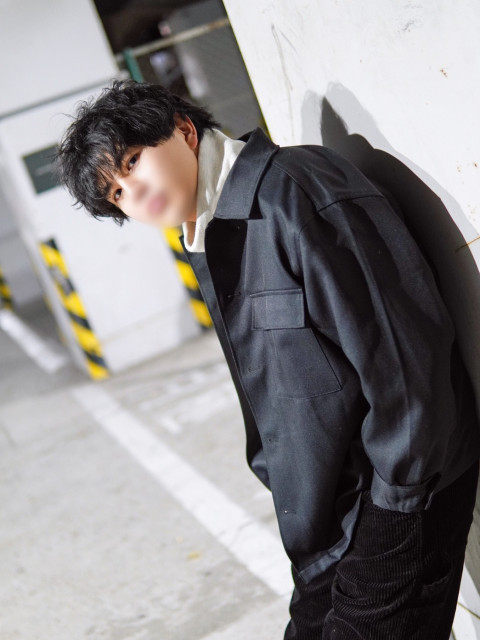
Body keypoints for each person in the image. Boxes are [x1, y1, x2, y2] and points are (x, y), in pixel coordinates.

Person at [57, 79, 480, 640]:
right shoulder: (210, 234)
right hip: (328, 521)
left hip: (397, 501)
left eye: (133, 162)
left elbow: (404, 358)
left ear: (184, 130)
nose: (134, 192)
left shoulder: (294, 189)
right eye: (116, 194)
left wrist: (396, 508)